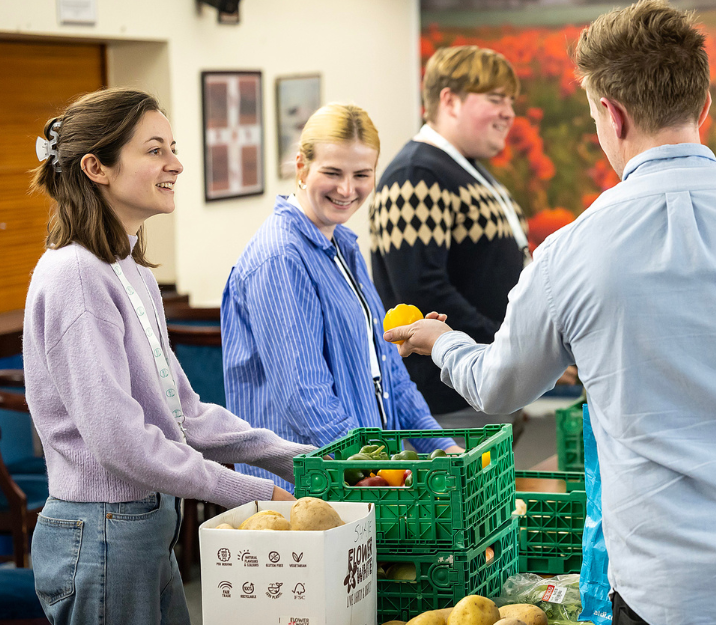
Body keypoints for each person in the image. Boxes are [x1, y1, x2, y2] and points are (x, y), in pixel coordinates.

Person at [383, 2, 716, 624]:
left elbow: (498, 386)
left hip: (672, 599)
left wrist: (442, 343)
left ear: (611, 112)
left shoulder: (568, 254)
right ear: (704, 105)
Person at [23, 88, 313, 625]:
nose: (176, 164)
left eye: (172, 147)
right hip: (102, 530)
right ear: (96, 167)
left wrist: (300, 460)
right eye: (155, 150)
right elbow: (120, 441)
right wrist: (251, 491)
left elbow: (186, 414)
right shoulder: (76, 276)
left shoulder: (128, 267)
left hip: (144, 524)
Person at [222, 103, 460, 491]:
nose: (347, 189)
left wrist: (446, 451)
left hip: (362, 478)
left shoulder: (344, 246)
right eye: (332, 172)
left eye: (362, 175)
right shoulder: (281, 257)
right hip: (311, 491)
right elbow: (305, 399)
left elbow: (391, 377)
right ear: (301, 166)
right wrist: (376, 472)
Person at [369, 45, 564, 437]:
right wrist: (514, 345)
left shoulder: (466, 169)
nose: (509, 112)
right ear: (449, 101)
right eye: (495, 99)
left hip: (482, 385)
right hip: (447, 401)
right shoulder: (416, 173)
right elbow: (422, 292)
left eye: (510, 101)